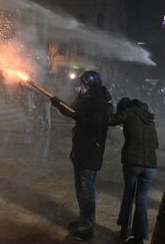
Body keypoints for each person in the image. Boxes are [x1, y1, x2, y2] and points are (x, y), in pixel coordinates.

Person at [50, 70, 113, 241]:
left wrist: (77, 115)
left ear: (91, 84)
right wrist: (58, 103)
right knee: (80, 188)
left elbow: (95, 125)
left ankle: (88, 227)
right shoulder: (85, 98)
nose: (81, 86)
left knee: (87, 190)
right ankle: (82, 220)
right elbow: (72, 112)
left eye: (84, 83)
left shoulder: (100, 101)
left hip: (90, 152)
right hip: (80, 150)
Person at [109, 97, 159, 244]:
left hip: (132, 163)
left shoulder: (127, 112)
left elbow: (109, 120)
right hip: (150, 166)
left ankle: (124, 232)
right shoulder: (150, 119)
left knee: (128, 194)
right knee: (142, 198)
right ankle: (139, 237)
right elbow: (156, 144)